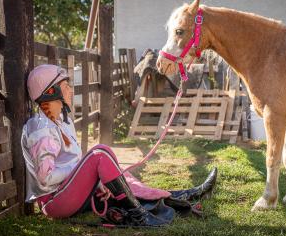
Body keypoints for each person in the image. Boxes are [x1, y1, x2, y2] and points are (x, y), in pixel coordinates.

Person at [21, 64, 217, 227]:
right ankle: (140, 217)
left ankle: (183, 197)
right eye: (65, 86)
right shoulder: (41, 128)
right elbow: (45, 178)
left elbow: (72, 169)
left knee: (117, 175)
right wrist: (85, 173)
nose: (71, 90)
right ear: (50, 91)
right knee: (100, 154)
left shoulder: (63, 122)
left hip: (70, 194)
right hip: (55, 202)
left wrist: (95, 181)